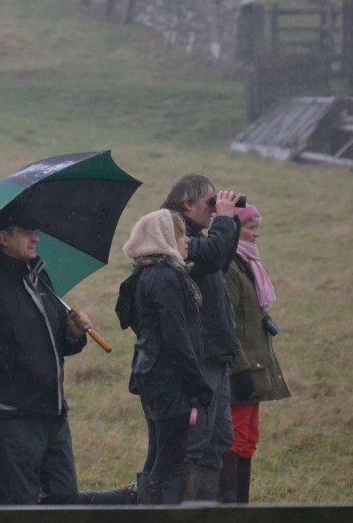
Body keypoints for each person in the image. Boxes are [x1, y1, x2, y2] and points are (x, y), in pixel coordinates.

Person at [0, 201, 92, 505]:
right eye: (28, 232)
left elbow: (53, 342)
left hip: (52, 413)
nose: (36, 238)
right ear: (3, 238)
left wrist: (72, 334)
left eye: (37, 231)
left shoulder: (40, 278)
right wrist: (13, 357)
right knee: (16, 508)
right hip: (9, 418)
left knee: (65, 500)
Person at [116, 209, 214, 504]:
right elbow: (175, 336)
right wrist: (198, 382)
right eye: (180, 234)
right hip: (168, 379)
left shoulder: (149, 274)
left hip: (155, 375)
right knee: (169, 459)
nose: (187, 241)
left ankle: (149, 507)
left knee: (160, 452)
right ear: (164, 237)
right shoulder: (165, 278)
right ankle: (156, 510)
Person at [160, 174, 241, 500]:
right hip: (198, 356)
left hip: (214, 353)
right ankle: (189, 509)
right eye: (209, 202)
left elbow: (218, 260)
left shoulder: (197, 238)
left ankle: (206, 507)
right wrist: (223, 220)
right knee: (198, 442)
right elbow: (210, 256)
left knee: (217, 439)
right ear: (186, 203)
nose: (213, 209)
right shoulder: (173, 236)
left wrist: (228, 222)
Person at [220, 204, 291, 503]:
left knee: (248, 439)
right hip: (243, 372)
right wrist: (241, 369)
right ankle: (230, 509)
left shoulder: (247, 264)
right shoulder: (230, 268)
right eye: (251, 227)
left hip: (256, 368)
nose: (256, 233)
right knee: (234, 441)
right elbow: (227, 324)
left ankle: (242, 507)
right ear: (235, 229)